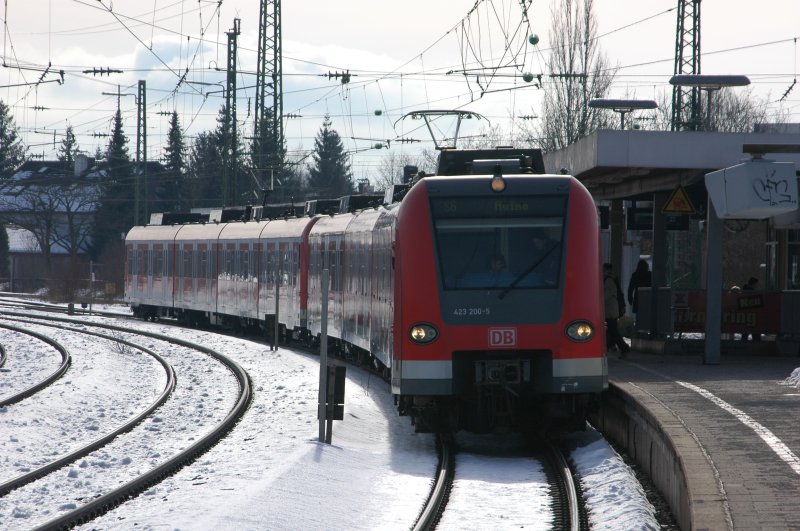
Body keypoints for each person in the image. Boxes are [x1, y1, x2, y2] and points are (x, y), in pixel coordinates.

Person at [603, 263, 630, 356]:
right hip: (611, 309)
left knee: (613, 331)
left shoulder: (608, 280)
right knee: (611, 330)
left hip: (610, 310)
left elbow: (606, 295)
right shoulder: (612, 279)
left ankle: (624, 347)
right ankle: (613, 346)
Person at [741, 277, 761, 341]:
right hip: (751, 316)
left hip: (746, 316)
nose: (757, 286)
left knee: (745, 334)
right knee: (755, 334)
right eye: (757, 284)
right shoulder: (751, 293)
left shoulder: (745, 291)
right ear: (754, 284)